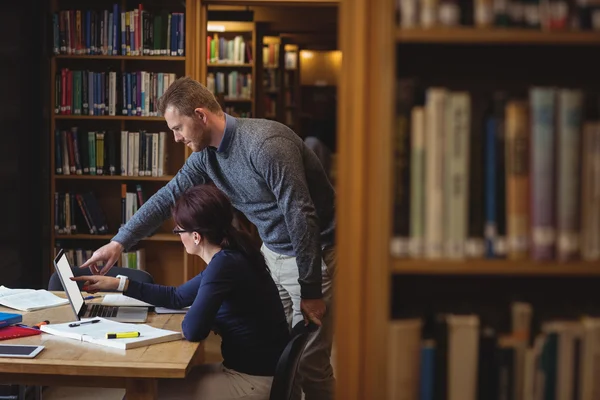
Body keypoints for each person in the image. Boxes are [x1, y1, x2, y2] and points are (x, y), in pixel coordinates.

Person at [80, 76, 337, 400]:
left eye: (178, 128)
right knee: (281, 358)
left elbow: (300, 214)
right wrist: (119, 242)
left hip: (315, 253)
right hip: (272, 252)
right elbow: (166, 198)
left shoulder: (266, 143)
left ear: (200, 115)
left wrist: (310, 288)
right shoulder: (206, 157)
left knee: (309, 362)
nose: (175, 138)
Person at [73, 184, 290, 400]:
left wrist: (206, 313)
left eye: (179, 230)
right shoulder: (232, 254)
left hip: (251, 381)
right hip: (257, 371)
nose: (178, 236)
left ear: (196, 236)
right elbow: (176, 297)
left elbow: (193, 330)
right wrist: (119, 284)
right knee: (147, 389)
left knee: (142, 394)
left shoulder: (224, 265)